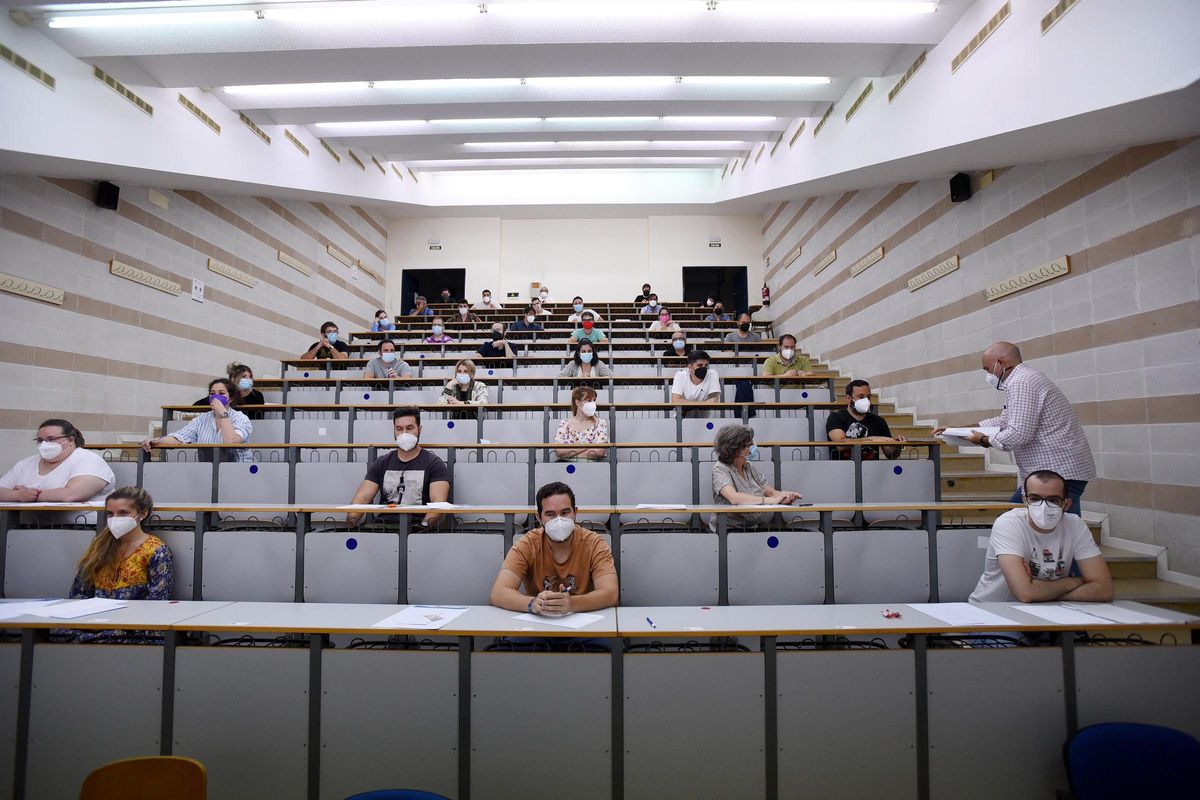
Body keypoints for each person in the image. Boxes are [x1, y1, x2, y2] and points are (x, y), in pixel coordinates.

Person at [934, 341, 1096, 515]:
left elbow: (1018, 434)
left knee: (1058, 528)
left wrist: (983, 440)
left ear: (1001, 363)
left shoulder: (1021, 383)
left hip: (1057, 472)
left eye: (988, 369)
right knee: (1017, 517)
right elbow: (1004, 421)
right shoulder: (1024, 379)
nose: (988, 376)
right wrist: (958, 430)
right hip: (1054, 471)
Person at [969, 470, 1112, 603]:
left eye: (1053, 500)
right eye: (1035, 499)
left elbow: (1103, 589)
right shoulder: (1009, 523)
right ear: (1025, 501)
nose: (1044, 507)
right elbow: (1025, 593)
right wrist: (1071, 582)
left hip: (1051, 612)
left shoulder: (1075, 524)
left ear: (1066, 504)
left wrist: (1044, 594)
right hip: (994, 614)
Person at [489, 481, 619, 615]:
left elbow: (611, 594)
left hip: (583, 622)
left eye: (565, 512)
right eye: (550, 514)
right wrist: (532, 604)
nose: (559, 520)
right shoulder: (527, 544)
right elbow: (498, 592)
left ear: (575, 512)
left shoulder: (595, 544)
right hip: (539, 623)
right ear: (539, 517)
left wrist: (572, 604)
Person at [346, 407, 450, 530]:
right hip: (382, 526)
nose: (404, 433)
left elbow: (438, 505)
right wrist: (351, 522)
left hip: (416, 528)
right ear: (394, 430)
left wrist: (423, 527)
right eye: (399, 429)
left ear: (419, 429)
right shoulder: (382, 462)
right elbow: (362, 498)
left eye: (410, 428)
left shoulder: (434, 464)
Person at [0, 419, 115, 524]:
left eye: (51, 439)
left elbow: (72, 494)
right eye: (40, 440)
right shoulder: (26, 464)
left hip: (84, 528)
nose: (44, 444)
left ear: (70, 440)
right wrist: (18, 495)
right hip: (25, 529)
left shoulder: (89, 459)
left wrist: (29, 496)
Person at [70, 487, 173, 602]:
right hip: (96, 617)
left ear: (143, 514)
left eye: (123, 513)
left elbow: (158, 599)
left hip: (134, 618)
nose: (115, 519)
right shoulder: (99, 546)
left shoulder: (156, 551)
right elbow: (79, 593)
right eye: (110, 513)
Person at [710, 424, 802, 531]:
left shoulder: (750, 467)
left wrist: (785, 496)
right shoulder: (720, 469)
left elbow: (771, 493)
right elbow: (734, 498)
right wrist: (771, 500)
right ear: (736, 449)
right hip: (729, 529)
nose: (754, 447)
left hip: (753, 526)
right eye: (750, 444)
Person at [142, 378, 253, 463]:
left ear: (231, 398)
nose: (216, 397)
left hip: (238, 468)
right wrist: (156, 440)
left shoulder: (240, 418)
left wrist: (223, 413)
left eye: (221, 393)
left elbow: (231, 442)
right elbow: (179, 438)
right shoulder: (201, 419)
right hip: (208, 469)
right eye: (212, 393)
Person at [826, 380, 905, 460]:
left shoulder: (879, 421)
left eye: (868, 397)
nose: (866, 401)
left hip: (872, 469)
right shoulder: (836, 417)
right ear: (849, 398)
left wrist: (897, 445)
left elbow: (890, 455)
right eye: (861, 397)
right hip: (842, 469)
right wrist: (872, 439)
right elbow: (841, 444)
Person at [554, 387, 609, 462]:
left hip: (592, 467)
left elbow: (600, 452)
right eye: (589, 400)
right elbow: (559, 452)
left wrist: (570, 455)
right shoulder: (564, 423)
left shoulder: (600, 423)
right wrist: (589, 446)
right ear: (577, 402)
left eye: (594, 400)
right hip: (566, 466)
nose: (593, 404)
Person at [193, 362, 265, 419]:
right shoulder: (224, 394)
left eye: (250, 376)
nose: (248, 379)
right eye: (244, 376)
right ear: (233, 379)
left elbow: (260, 418)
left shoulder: (257, 395)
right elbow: (196, 407)